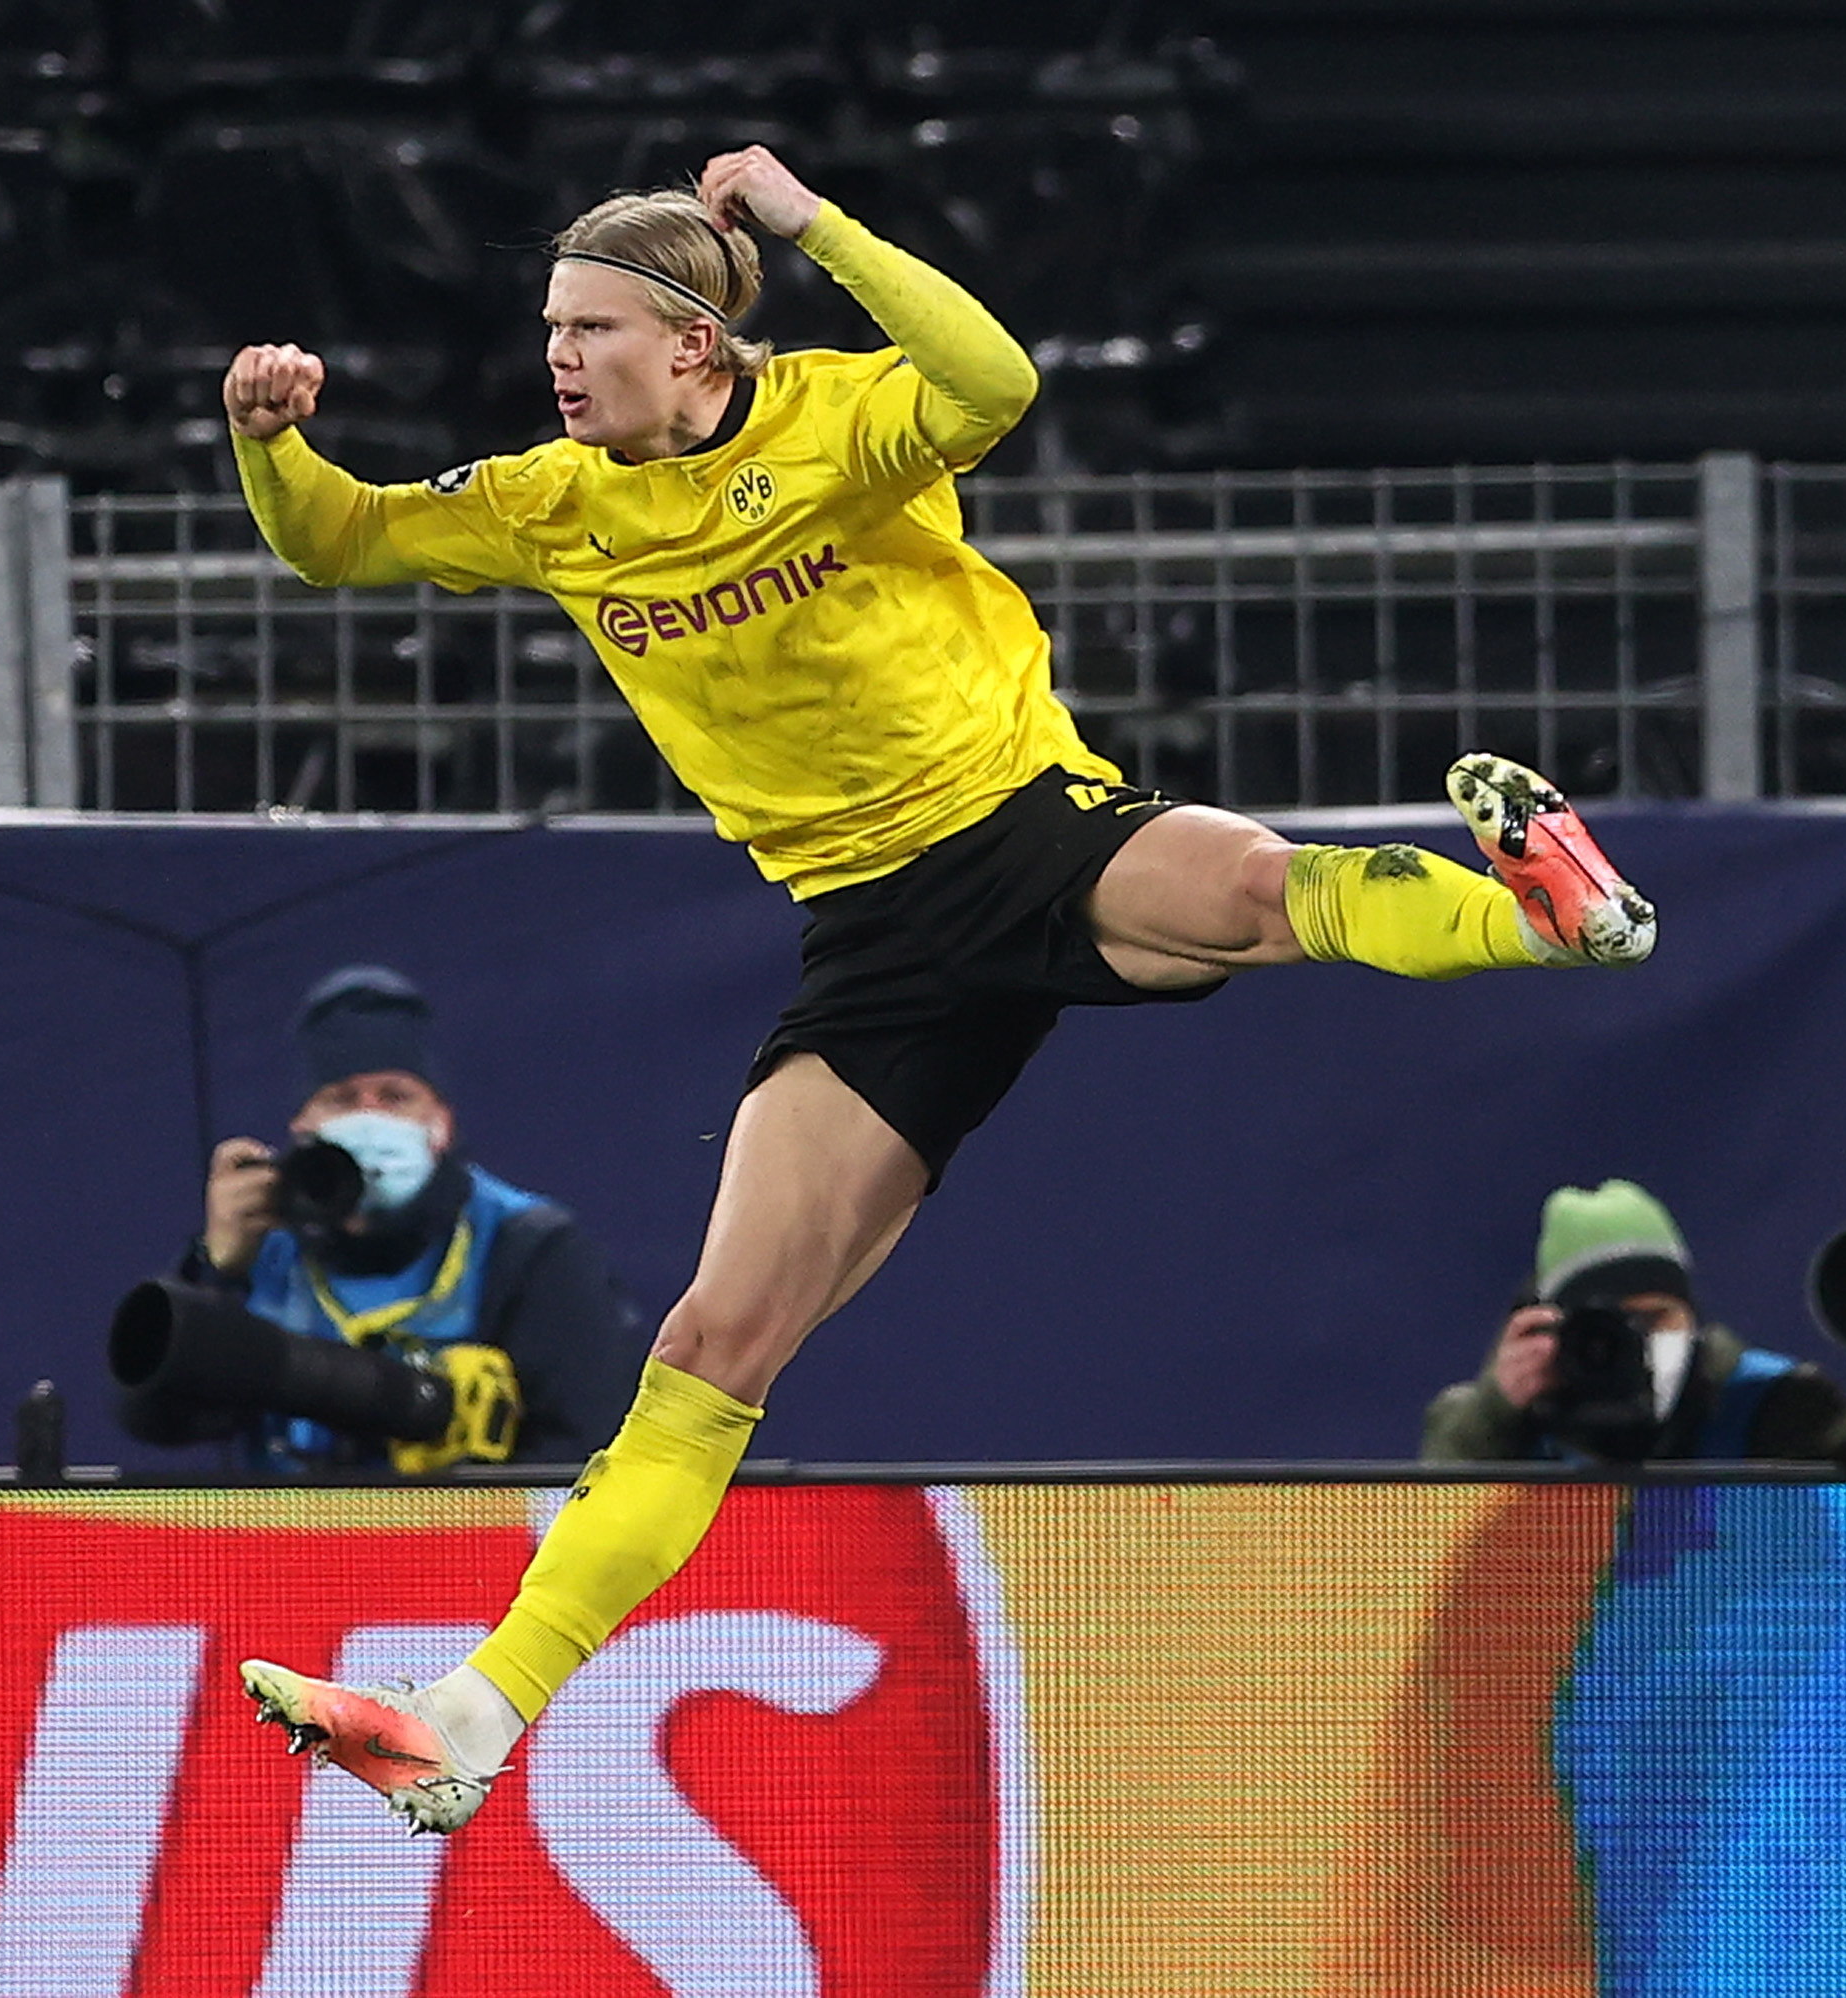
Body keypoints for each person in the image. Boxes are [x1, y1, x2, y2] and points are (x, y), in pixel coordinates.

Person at [224, 144, 1658, 1833]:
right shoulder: (557, 504)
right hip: (872, 941)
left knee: (1265, 892)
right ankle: (467, 1714)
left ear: (693, 344)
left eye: (593, 327)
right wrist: (270, 441)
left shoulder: (833, 420)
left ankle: (1548, 920)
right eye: (552, 324)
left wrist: (813, 222)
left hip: (1016, 828)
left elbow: (997, 377)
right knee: (709, 1343)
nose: (557, 355)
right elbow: (337, 546)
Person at [159, 964, 647, 1473]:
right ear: (302, 1126)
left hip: (466, 1542)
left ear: (441, 1123)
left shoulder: (526, 1243)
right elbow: (166, 1422)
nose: (370, 1117)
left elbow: (592, 1445)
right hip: (291, 1544)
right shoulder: (264, 1245)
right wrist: (212, 1272)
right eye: (342, 1099)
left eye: (395, 1096)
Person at [1420, 1180, 1846, 1466]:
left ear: (1692, 1317)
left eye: (1654, 1317)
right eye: (1608, 1324)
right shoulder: (1502, 1422)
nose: (1635, 1339)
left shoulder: (1776, 1403)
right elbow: (1433, 1567)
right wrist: (1495, 1418)